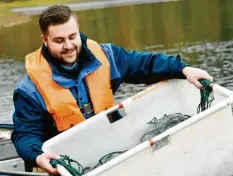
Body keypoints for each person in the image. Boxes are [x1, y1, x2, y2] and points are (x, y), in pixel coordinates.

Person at [11, 5, 213, 174]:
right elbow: (24, 134)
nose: (69, 45)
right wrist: (37, 156)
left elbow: (145, 64)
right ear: (44, 40)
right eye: (59, 40)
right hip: (64, 165)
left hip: (108, 152)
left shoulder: (107, 56)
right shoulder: (29, 90)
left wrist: (184, 68)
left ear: (78, 29)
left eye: (72, 36)